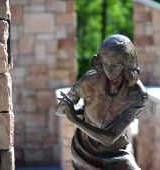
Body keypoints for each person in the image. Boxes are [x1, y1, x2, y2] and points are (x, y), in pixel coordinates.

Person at [56, 34, 148, 170]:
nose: (109, 69)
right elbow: (60, 110)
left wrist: (76, 119)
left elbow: (109, 139)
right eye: (105, 63)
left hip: (117, 152)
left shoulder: (137, 94)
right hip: (84, 149)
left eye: (115, 65)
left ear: (126, 65)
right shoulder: (90, 80)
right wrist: (82, 112)